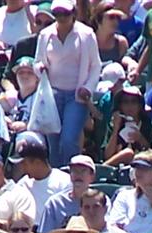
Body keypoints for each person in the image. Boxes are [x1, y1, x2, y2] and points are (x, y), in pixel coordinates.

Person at [33, 0, 102, 167]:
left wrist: (87, 87)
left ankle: (71, 173)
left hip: (76, 95)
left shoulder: (86, 34)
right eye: (57, 13)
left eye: (65, 13)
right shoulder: (45, 35)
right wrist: (40, 68)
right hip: (52, 95)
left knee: (69, 139)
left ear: (73, 13)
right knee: (54, 142)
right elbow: (37, 62)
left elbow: (96, 65)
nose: (61, 17)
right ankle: (57, 175)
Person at [10, 131, 71, 226]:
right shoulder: (23, 184)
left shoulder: (64, 181)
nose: (22, 168)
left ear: (37, 162)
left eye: (24, 163)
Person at [39, 154, 95, 233]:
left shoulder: (100, 200)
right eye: (75, 171)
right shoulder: (55, 203)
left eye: (83, 171)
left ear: (92, 177)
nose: (78, 175)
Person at [103, 83, 152, 165]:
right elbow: (107, 155)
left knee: (129, 153)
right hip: (116, 169)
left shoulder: (148, 125)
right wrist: (116, 129)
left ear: (140, 105)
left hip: (143, 167)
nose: (129, 106)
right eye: (125, 102)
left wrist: (140, 138)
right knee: (127, 153)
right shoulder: (113, 124)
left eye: (134, 102)